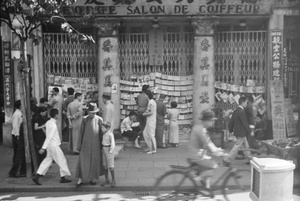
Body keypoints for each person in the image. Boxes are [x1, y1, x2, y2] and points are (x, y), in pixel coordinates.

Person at [32, 108, 71, 185]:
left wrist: (45, 147)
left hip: (50, 146)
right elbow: (49, 137)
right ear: (56, 115)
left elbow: (46, 133)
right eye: (58, 114)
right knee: (62, 160)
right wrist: (43, 147)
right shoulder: (53, 125)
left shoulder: (48, 122)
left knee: (47, 161)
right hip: (54, 145)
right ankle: (63, 178)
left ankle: (37, 176)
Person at [189, 110, 226, 189]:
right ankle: (197, 179)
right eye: (212, 121)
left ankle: (206, 188)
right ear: (206, 121)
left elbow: (208, 143)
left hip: (196, 153)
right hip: (196, 155)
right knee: (213, 166)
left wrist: (217, 150)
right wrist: (219, 153)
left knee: (207, 167)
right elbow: (208, 144)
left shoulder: (200, 127)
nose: (213, 123)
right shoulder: (201, 130)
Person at [75, 103, 104, 186]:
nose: (92, 114)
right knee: (83, 161)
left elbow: (101, 134)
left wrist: (102, 144)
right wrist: (79, 145)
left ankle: (92, 178)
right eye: (91, 112)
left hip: (96, 144)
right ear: (88, 112)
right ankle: (80, 179)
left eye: (94, 113)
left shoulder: (99, 119)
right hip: (85, 144)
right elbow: (81, 133)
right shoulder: (84, 119)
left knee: (94, 161)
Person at [223, 97, 253, 165]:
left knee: (245, 145)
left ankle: (250, 159)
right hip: (241, 132)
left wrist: (230, 129)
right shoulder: (241, 111)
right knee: (237, 147)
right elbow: (244, 122)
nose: (246, 104)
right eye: (246, 102)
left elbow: (232, 121)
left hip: (238, 131)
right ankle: (227, 159)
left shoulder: (236, 110)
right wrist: (250, 131)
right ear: (243, 102)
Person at [101, 121, 116, 188]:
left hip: (109, 149)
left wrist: (111, 151)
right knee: (105, 165)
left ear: (108, 128)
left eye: (103, 128)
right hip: (104, 149)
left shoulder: (110, 134)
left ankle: (113, 180)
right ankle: (106, 179)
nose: (102, 129)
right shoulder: (104, 134)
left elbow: (112, 143)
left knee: (111, 166)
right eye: (102, 128)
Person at [142, 90, 157, 154]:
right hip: (149, 120)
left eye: (145, 95)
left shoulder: (151, 102)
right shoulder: (150, 101)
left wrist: (144, 114)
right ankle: (149, 147)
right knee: (145, 133)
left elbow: (151, 112)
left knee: (151, 135)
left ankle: (153, 149)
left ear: (147, 95)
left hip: (151, 120)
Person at [11, 100, 22, 166]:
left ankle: (17, 161)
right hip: (16, 134)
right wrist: (17, 134)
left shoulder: (19, 112)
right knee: (17, 149)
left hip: (18, 133)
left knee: (18, 148)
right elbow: (15, 125)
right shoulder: (17, 114)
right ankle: (15, 162)